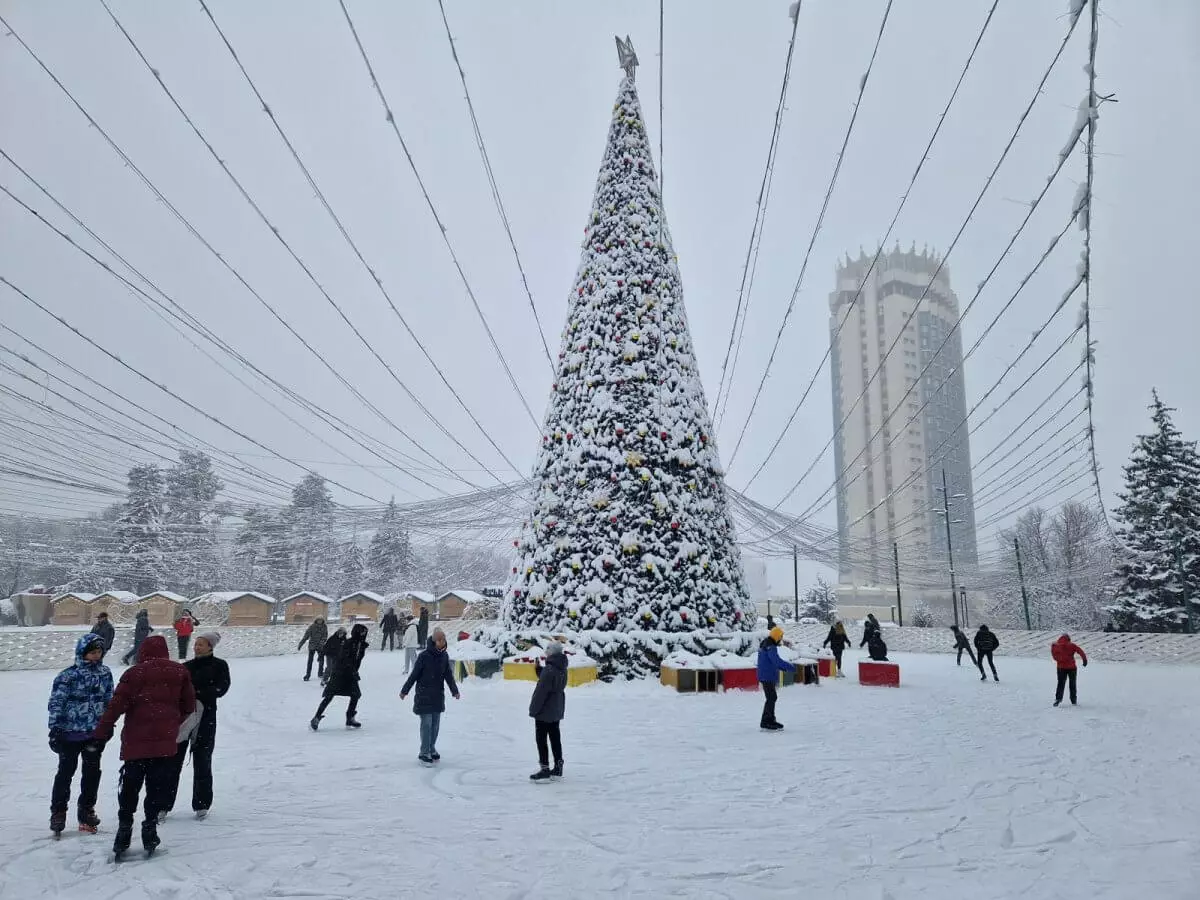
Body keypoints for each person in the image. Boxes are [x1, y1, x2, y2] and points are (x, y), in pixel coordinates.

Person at [93, 635, 195, 859]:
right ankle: (150, 827)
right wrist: (171, 722)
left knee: (130, 785)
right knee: (156, 786)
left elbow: (115, 706)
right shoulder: (179, 672)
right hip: (164, 743)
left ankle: (124, 828)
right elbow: (189, 705)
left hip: (135, 742)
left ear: (143, 651)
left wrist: (102, 731)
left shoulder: (134, 673)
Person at [47, 633, 114, 837]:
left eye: (99, 652)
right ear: (82, 652)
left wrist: (107, 724)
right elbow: (56, 702)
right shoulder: (68, 675)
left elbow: (109, 700)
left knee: (92, 773)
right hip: (69, 734)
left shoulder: (105, 673)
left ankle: (86, 810)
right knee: (65, 772)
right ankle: (58, 811)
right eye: (92, 652)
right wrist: (55, 728)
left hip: (94, 734)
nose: (96, 656)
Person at [162, 633, 230, 820]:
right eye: (196, 644)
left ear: (210, 646)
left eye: (201, 644)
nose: (197, 647)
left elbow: (222, 688)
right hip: (183, 719)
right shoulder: (185, 667)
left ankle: (202, 804)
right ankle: (163, 804)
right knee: (172, 762)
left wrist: (198, 694)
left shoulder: (219, 665)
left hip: (206, 718)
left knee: (202, 761)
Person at [400, 627, 460, 764]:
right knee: (426, 724)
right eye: (439, 640)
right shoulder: (424, 656)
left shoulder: (444, 656)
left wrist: (454, 690)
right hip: (424, 694)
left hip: (438, 695)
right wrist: (405, 690)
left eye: (443, 640)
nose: (441, 642)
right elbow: (414, 675)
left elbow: (448, 676)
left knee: (435, 724)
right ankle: (424, 751)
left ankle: (432, 748)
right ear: (433, 641)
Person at [310, 623, 368, 730]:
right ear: (357, 632)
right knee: (329, 695)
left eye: (365, 633)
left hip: (351, 674)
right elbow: (343, 659)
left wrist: (354, 671)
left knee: (355, 694)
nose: (364, 634)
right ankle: (316, 717)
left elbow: (357, 661)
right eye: (362, 632)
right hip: (339, 673)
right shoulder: (348, 643)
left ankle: (350, 717)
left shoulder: (362, 645)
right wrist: (350, 669)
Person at [528, 642, 567, 782]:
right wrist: (540, 670)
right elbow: (551, 679)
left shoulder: (550, 670)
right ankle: (558, 766)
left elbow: (541, 692)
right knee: (555, 737)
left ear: (552, 652)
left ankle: (544, 769)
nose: (546, 651)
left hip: (545, 709)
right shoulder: (561, 667)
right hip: (556, 707)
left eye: (548, 649)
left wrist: (533, 710)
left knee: (541, 739)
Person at [756, 626, 795, 731]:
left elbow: (773, 661)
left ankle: (770, 720)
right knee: (771, 697)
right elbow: (776, 661)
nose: (781, 639)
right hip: (767, 676)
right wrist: (790, 667)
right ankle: (766, 721)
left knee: (772, 697)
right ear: (777, 636)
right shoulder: (770, 646)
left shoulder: (766, 643)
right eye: (780, 637)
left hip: (766, 675)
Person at [1051, 634, 1088, 706]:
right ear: (1068, 639)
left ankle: (1058, 699)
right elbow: (1080, 651)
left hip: (1061, 667)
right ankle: (1073, 700)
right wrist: (1084, 660)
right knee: (1072, 684)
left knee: (1060, 683)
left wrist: (1060, 660)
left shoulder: (1055, 646)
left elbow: (1054, 656)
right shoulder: (1072, 645)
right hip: (1072, 668)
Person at [297, 616, 328, 682]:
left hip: (320, 646)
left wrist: (321, 643)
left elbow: (325, 636)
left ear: (323, 621)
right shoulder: (312, 627)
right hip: (312, 646)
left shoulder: (324, 627)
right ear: (316, 620)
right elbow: (306, 636)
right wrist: (300, 644)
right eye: (318, 620)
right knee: (310, 661)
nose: (320, 621)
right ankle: (308, 675)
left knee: (321, 660)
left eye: (321, 620)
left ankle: (320, 673)